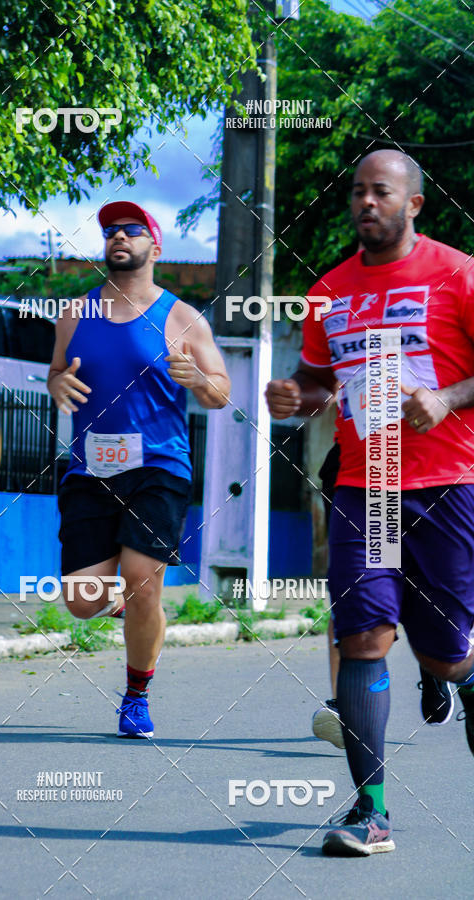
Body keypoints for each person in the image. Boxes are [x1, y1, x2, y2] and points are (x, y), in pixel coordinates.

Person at [265, 149, 474, 856]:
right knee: (362, 638)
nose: (365, 202)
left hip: (448, 484)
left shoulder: (457, 274)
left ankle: (458, 675)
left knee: (445, 654)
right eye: (357, 192)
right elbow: (317, 379)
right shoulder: (329, 291)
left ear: (414, 203)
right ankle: (371, 811)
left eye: (380, 192)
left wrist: (446, 397)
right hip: (366, 485)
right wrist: (297, 397)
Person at [47, 201, 230, 738]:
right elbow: (57, 372)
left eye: (131, 230)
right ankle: (135, 612)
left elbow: (221, 393)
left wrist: (197, 376)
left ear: (156, 245)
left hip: (159, 467)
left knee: (143, 585)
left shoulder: (180, 317)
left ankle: (136, 697)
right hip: (90, 469)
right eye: (110, 232)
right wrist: (56, 384)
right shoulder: (74, 314)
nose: (118, 237)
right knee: (83, 602)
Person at [311, 443, 454, 751]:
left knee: (422, 584)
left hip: (427, 471)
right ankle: (345, 707)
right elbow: (319, 396)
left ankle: (434, 660)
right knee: (356, 594)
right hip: (357, 472)